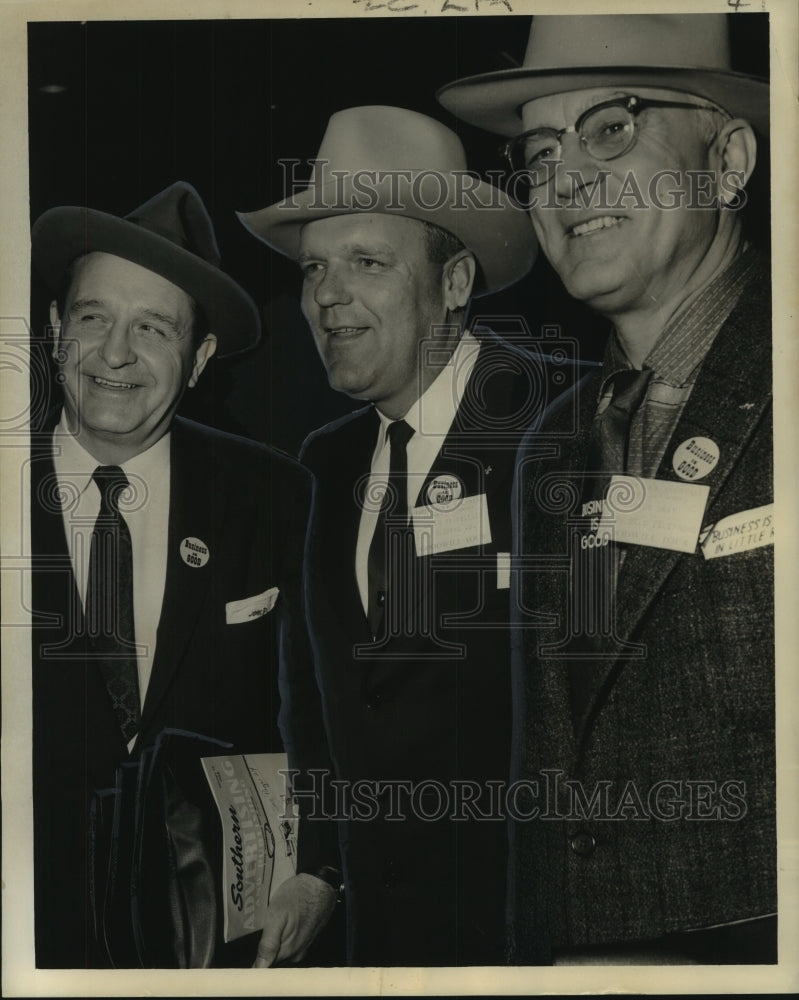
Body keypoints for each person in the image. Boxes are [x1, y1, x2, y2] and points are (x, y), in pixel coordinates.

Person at [438, 13, 775, 963]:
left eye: (612, 128)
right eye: (539, 151)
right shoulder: (554, 444)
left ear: (730, 159)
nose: (565, 178)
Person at [237, 105, 559, 966]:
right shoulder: (328, 459)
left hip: (533, 947)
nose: (326, 297)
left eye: (366, 263)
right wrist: (321, 869)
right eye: (313, 268)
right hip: (374, 947)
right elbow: (316, 703)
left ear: (453, 282)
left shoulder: (567, 422)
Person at [29, 181, 312, 968]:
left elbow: (321, 713)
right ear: (55, 330)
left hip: (211, 942)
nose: (116, 353)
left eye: (152, 328)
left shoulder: (274, 495)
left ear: (200, 359)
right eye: (93, 318)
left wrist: (320, 871)